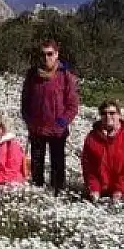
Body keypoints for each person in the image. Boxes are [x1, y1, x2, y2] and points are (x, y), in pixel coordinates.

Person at [20, 40, 80, 195]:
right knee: (36, 162)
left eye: (50, 54)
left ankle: (57, 192)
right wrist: (28, 120)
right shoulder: (32, 74)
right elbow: (25, 100)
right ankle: (37, 190)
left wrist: (62, 122)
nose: (46, 58)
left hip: (57, 129)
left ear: (56, 54)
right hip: (37, 128)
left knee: (57, 163)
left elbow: (72, 105)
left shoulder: (65, 75)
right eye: (43, 54)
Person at [81, 101, 124, 203]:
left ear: (119, 115)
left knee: (118, 206)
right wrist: (94, 188)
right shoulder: (92, 137)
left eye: (112, 113)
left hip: (123, 187)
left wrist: (119, 190)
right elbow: (88, 168)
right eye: (104, 113)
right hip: (100, 188)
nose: (108, 116)